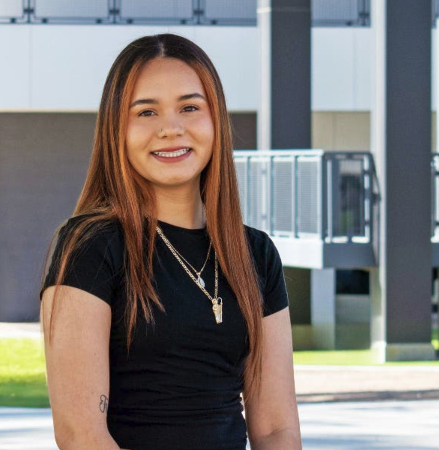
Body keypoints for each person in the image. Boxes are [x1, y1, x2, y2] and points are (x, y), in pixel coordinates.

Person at [40, 34, 301, 450]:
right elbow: (81, 433)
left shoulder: (256, 254)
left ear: (215, 120)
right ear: (116, 130)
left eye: (190, 107)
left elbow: (276, 428)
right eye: (146, 112)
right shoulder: (91, 246)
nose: (170, 129)